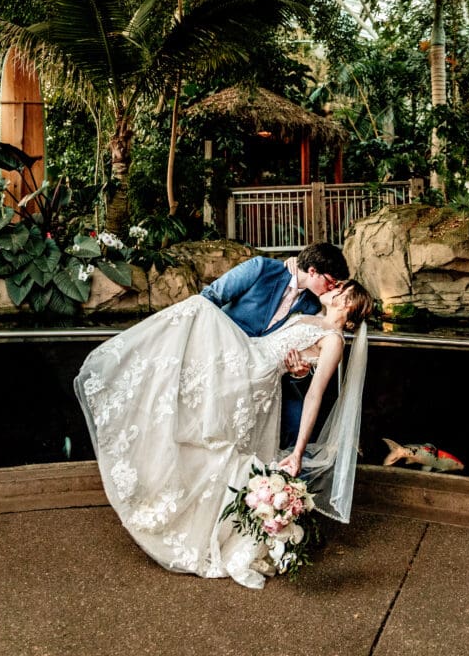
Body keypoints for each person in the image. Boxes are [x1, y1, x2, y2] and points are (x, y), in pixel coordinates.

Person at [75, 279, 373, 589]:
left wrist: (297, 453)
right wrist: (299, 368)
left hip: (255, 375)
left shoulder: (333, 340)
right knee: (194, 412)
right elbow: (288, 351)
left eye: (340, 289)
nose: (332, 289)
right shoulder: (310, 317)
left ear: (347, 303)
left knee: (200, 314)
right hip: (249, 357)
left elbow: (315, 396)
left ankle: (204, 531)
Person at [200, 243, 351, 446]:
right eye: (330, 282)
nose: (331, 287)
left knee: (297, 423)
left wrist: (300, 373)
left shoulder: (313, 304)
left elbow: (303, 347)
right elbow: (209, 298)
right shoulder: (261, 268)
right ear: (313, 271)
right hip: (222, 353)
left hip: (267, 372)